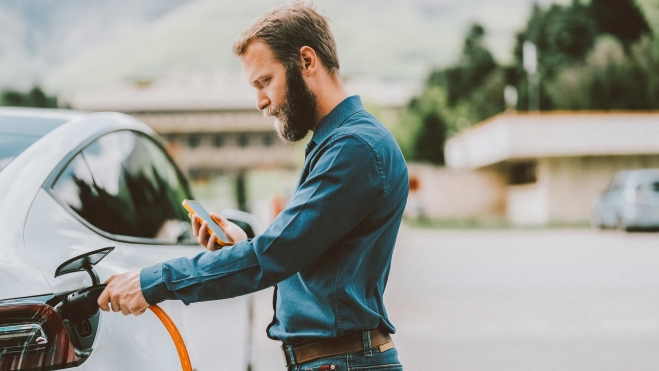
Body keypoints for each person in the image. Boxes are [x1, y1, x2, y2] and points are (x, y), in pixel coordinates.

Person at [98, 2, 408, 369]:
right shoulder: (341, 142)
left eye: (265, 82)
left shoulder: (353, 147)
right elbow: (303, 256)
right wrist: (246, 246)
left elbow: (276, 255)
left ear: (307, 61)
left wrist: (153, 282)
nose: (261, 101)